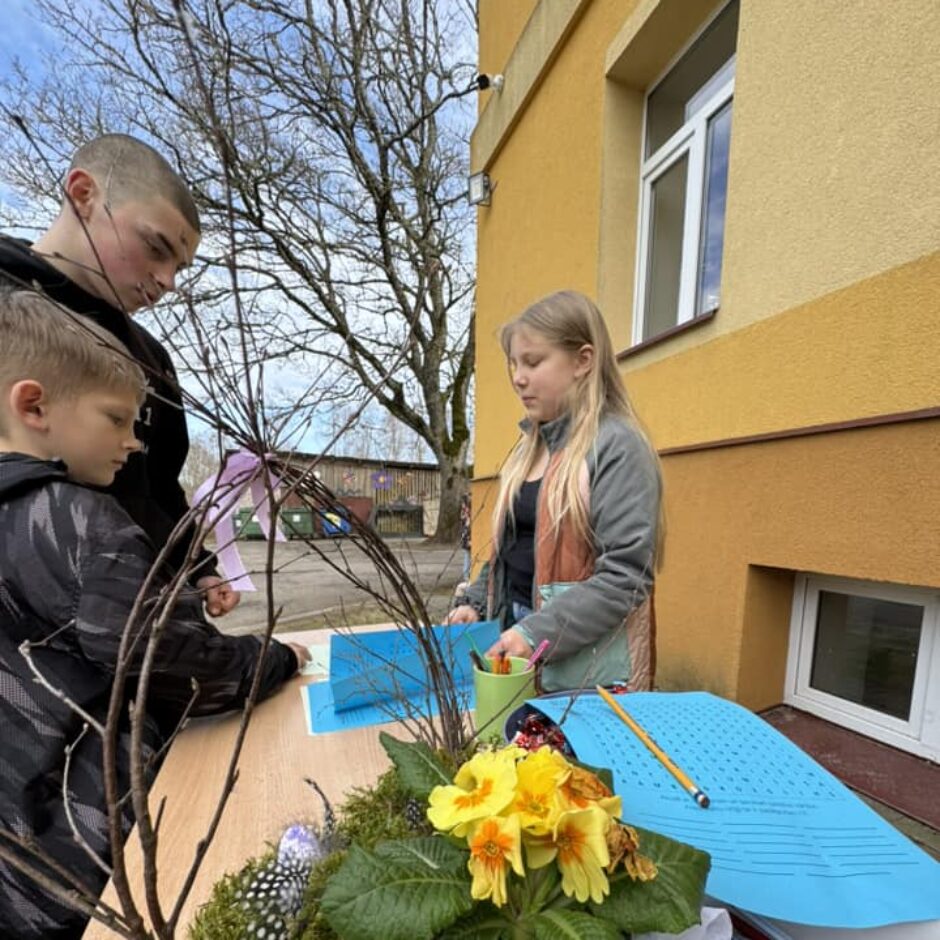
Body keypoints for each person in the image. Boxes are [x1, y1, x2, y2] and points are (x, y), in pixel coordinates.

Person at [0, 291, 311, 939]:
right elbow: (170, 663)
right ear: (34, 405)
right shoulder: (80, 518)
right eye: (117, 418)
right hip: (85, 847)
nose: (134, 443)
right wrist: (275, 657)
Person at [0, 133, 238, 618]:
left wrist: (198, 567)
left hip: (140, 631)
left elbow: (158, 488)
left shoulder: (150, 360)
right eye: (155, 247)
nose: (168, 280)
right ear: (83, 194)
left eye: (181, 267)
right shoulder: (9, 301)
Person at [447, 290, 662, 693]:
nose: (517, 378)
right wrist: (473, 604)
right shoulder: (529, 449)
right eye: (514, 364)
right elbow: (509, 551)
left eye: (532, 362)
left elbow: (625, 579)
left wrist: (534, 634)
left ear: (583, 360)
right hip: (520, 652)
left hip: (586, 679)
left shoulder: (617, 446)